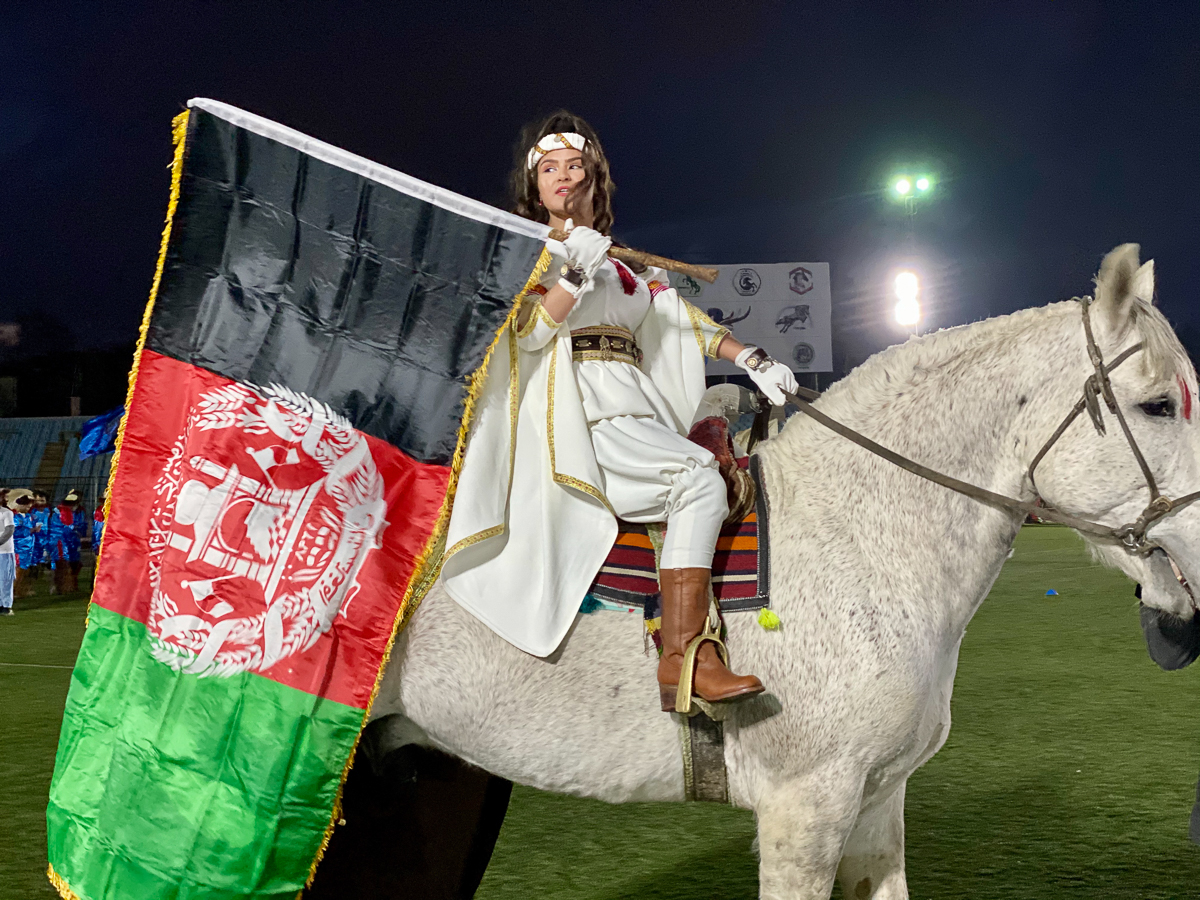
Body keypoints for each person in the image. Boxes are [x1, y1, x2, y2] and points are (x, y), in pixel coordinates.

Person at [442, 112, 798, 712]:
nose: (562, 176)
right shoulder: (529, 253)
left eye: (574, 165)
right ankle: (684, 657)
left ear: (593, 180)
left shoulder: (629, 268)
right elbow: (527, 332)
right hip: (577, 417)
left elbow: (684, 323)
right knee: (697, 480)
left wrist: (752, 357)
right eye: (548, 168)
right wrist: (573, 270)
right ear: (535, 186)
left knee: (713, 475)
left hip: (636, 410)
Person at [51, 490, 83, 593]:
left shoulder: (63, 511)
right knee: (62, 563)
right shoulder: (63, 512)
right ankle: (63, 586)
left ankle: (66, 585)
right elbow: (65, 529)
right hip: (61, 541)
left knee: (69, 563)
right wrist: (74, 529)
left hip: (66, 541)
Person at [9, 489, 36, 599]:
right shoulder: (14, 517)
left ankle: (18, 590)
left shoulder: (28, 516)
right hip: (18, 547)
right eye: (26, 505)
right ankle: (11, 591)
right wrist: (31, 530)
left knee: (24, 570)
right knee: (17, 570)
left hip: (27, 548)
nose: (28, 507)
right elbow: (15, 532)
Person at [0, 489, 14, 616]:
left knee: (5, 579)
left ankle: (6, 605)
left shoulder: (7, 513)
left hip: (5, 551)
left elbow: (9, 530)